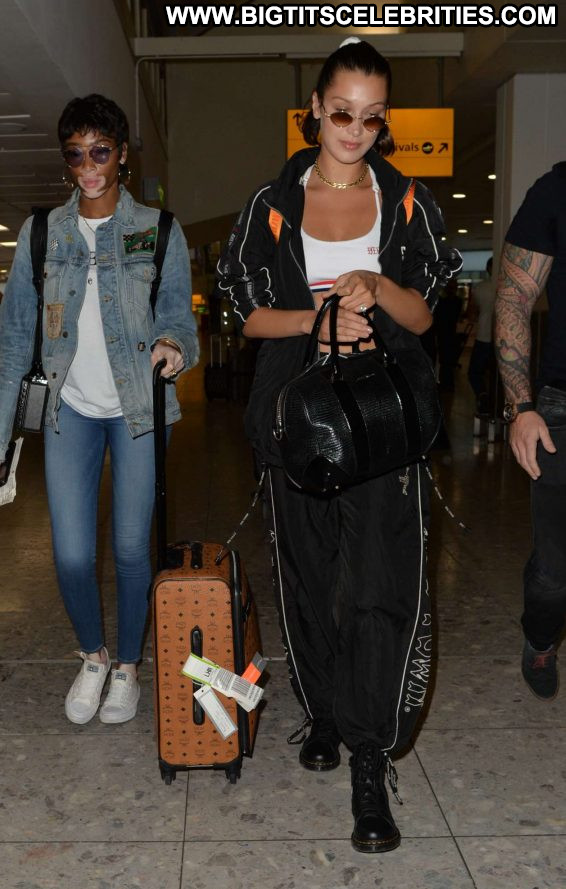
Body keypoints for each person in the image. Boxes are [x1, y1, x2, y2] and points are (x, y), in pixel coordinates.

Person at [217, 37, 461, 854]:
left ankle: (368, 755)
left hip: (384, 418)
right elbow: (245, 313)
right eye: (342, 113)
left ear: (384, 122)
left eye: (372, 117)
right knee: (309, 572)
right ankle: (321, 708)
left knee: (380, 585)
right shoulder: (271, 203)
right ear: (314, 111)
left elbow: (424, 313)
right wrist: (315, 319)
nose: (355, 130)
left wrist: (378, 287)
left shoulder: (409, 203)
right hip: (300, 415)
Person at [0, 94, 198, 726]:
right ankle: (93, 656)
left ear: (123, 154)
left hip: (138, 411)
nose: (88, 167)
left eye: (100, 152)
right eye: (75, 155)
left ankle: (127, 665)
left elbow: (180, 318)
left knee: (130, 549)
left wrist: (172, 344)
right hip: (67, 408)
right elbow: (15, 344)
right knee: (71, 554)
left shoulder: (159, 229)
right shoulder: (42, 232)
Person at [494, 161, 566, 701]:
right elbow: (514, 296)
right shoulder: (558, 189)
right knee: (554, 570)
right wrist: (521, 406)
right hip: (562, 406)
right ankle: (541, 638)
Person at [467, 257, 495, 413]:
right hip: (503, 340)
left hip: (484, 337)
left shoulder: (480, 288)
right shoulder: (507, 286)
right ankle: (495, 402)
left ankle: (483, 396)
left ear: (488, 269)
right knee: (497, 373)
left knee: (474, 372)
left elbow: (471, 314)